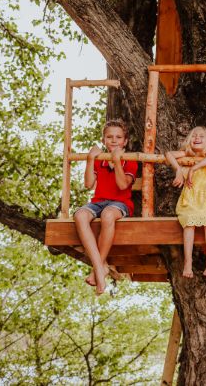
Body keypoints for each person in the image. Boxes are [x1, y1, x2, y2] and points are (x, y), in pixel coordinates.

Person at [74, 119, 138, 295]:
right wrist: (90, 159)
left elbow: (122, 185)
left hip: (120, 204)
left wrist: (117, 161)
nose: (114, 140)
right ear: (103, 140)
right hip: (98, 202)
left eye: (118, 137)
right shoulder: (99, 160)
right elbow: (88, 184)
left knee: (108, 215)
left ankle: (97, 270)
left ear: (125, 141)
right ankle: (100, 267)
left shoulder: (129, 160)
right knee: (80, 215)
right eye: (109, 137)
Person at [165, 126, 206, 278]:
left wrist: (193, 168)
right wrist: (179, 169)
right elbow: (168, 154)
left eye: (201, 136)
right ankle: (188, 262)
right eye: (194, 136)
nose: (197, 138)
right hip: (191, 198)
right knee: (188, 225)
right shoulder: (186, 155)